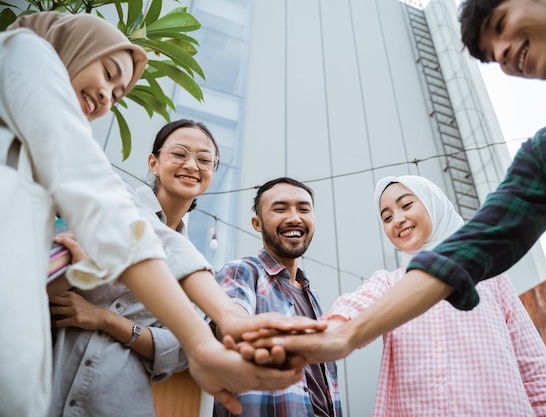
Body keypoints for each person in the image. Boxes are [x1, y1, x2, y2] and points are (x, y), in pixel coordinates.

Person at [240, 0, 546, 373]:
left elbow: (532, 365)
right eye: (493, 57)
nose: (505, 55)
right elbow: (466, 251)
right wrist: (344, 335)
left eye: (500, 25)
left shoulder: (501, 287)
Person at [0, 12, 316, 417]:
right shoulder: (27, 52)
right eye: (109, 72)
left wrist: (211, 324)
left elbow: (176, 348)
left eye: (117, 94)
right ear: (153, 162)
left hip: (112, 395)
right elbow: (116, 215)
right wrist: (215, 323)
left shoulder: (46, 169)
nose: (106, 97)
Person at [48, 119, 266, 417]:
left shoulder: (196, 272)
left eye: (204, 160)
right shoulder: (110, 203)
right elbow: (45, 277)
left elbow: (177, 352)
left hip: (114, 401)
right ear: (153, 162)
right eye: (179, 153)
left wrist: (104, 319)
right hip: (48, 373)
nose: (192, 165)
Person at [324, 175, 546, 416]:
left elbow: (530, 359)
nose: (397, 220)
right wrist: (329, 332)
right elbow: (355, 305)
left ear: (435, 204)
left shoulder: (488, 275)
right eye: (387, 217)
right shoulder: (390, 283)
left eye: (407, 205)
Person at [213, 177, 342, 417]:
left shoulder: (312, 297)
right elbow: (230, 321)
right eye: (280, 209)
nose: (294, 218)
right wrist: (238, 327)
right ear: (257, 223)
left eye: (304, 209)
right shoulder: (243, 271)